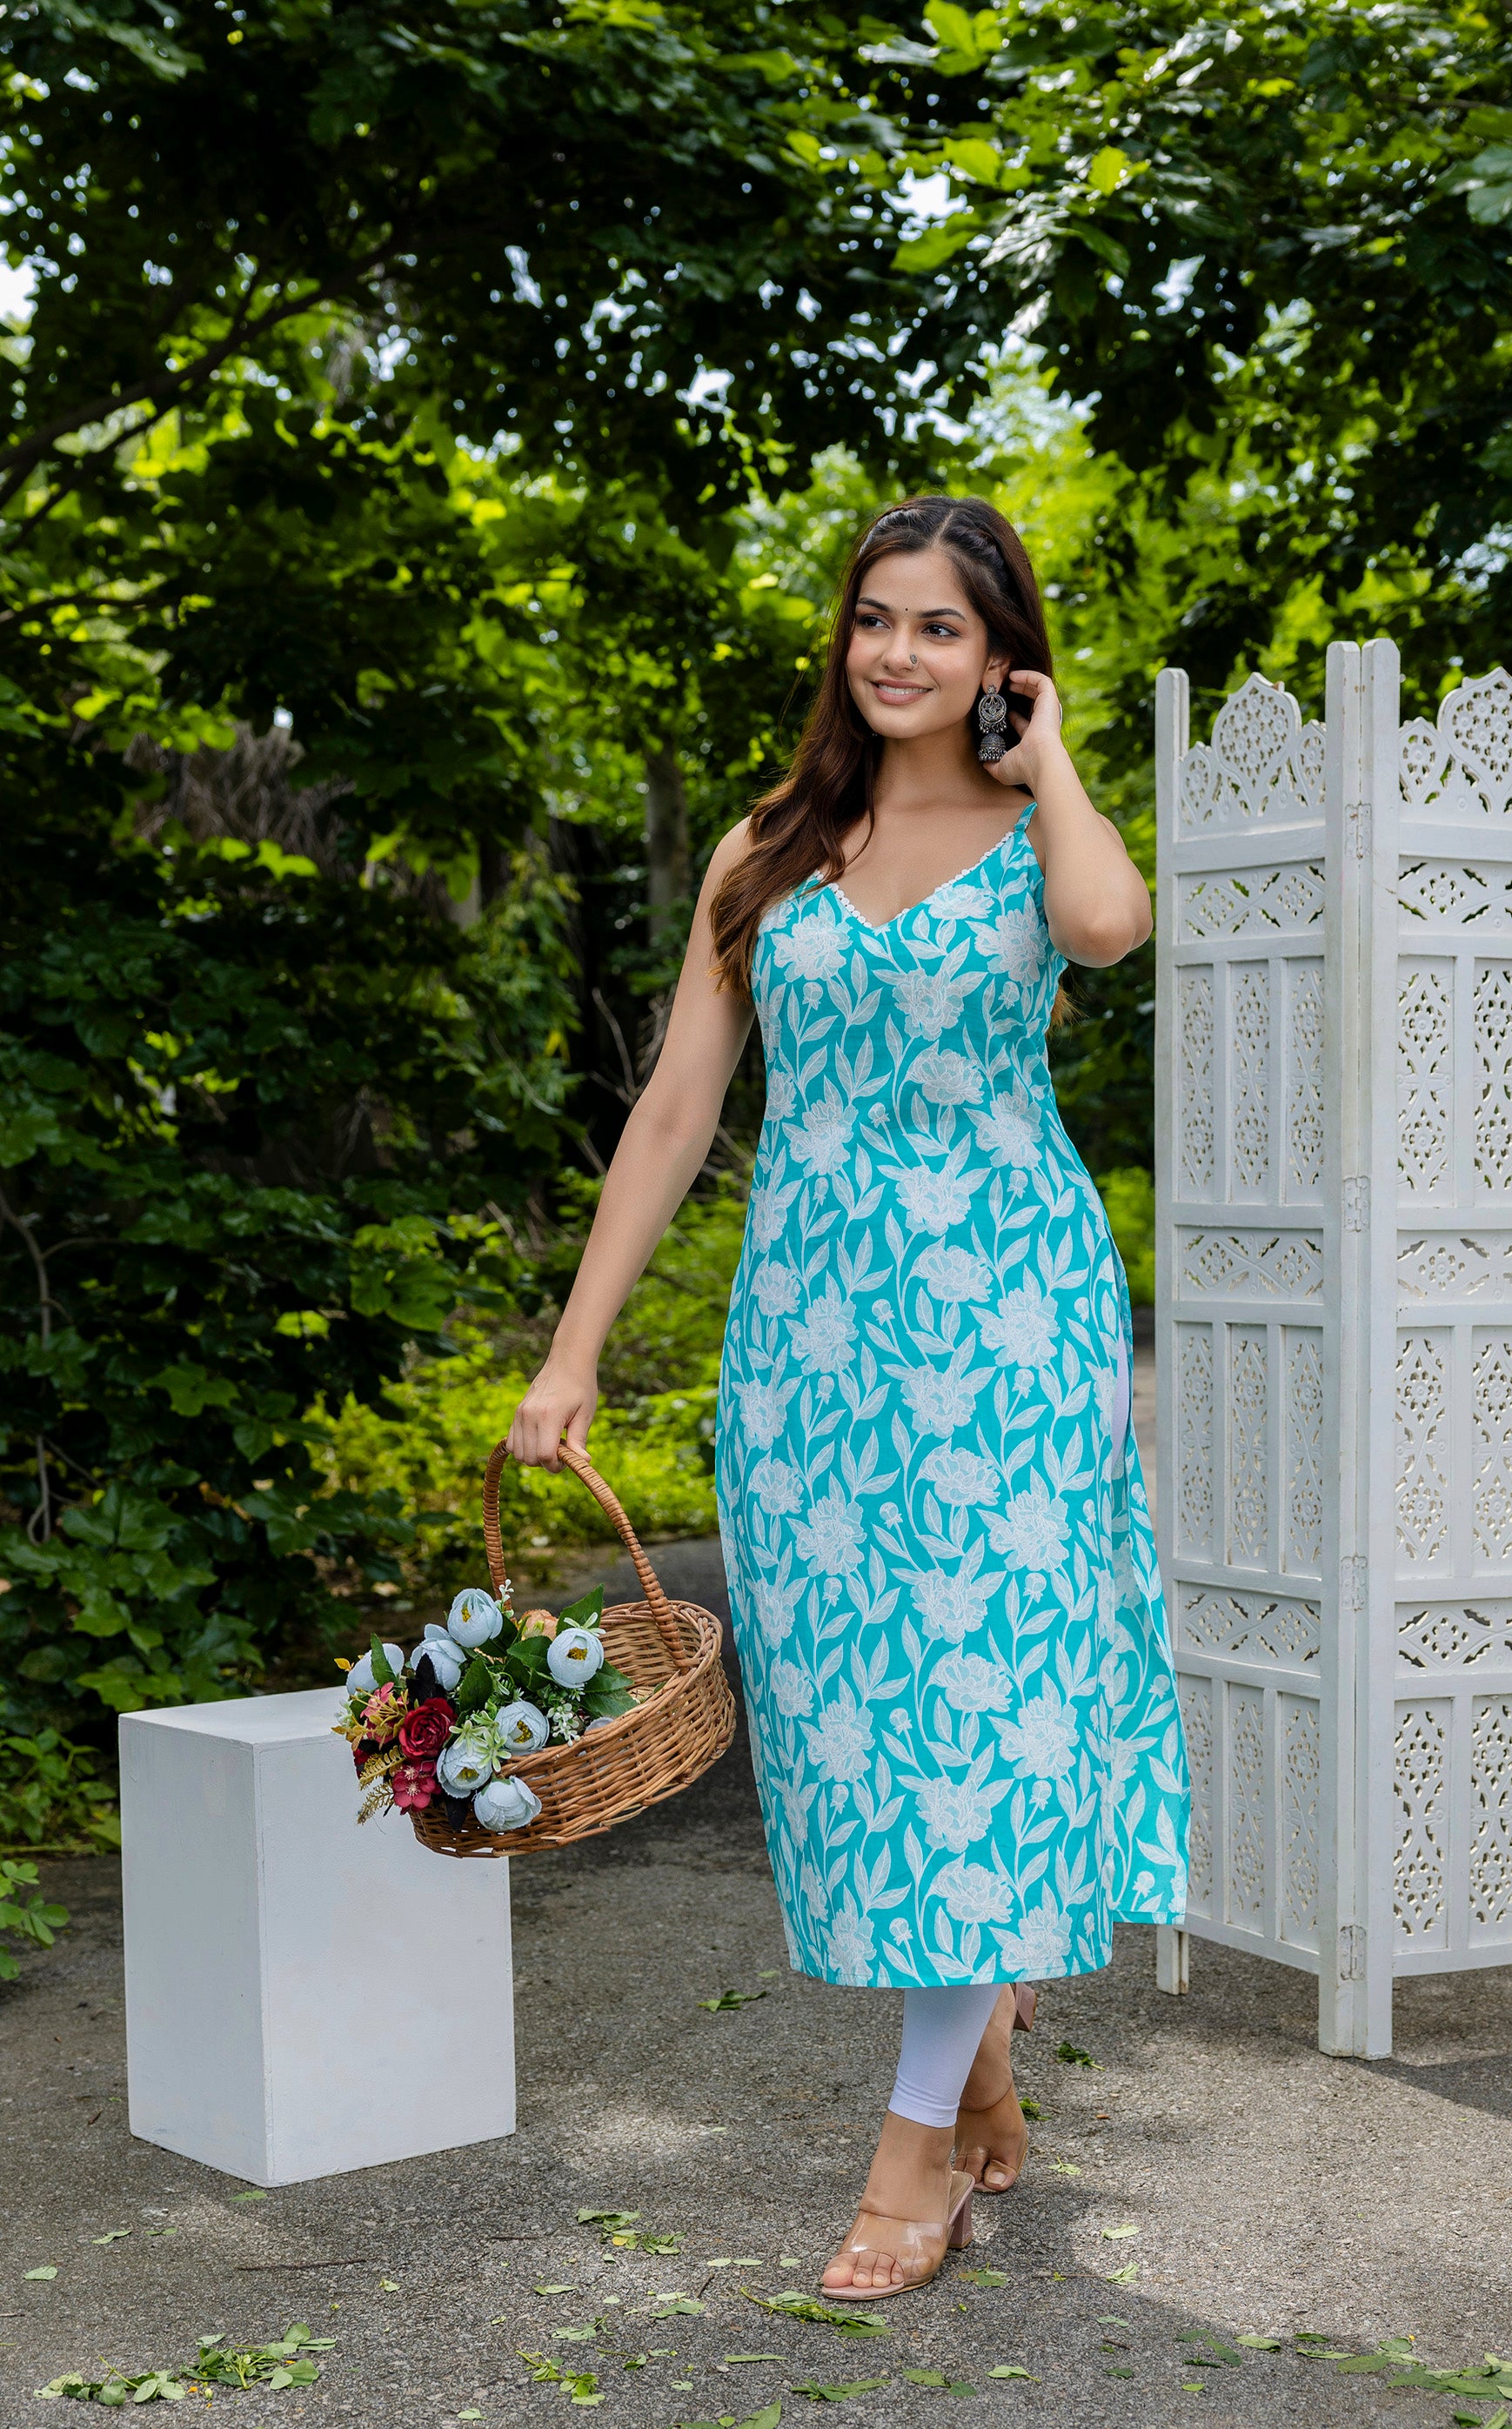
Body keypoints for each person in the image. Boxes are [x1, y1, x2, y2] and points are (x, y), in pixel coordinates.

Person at [508, 494, 1189, 2299]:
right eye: (875, 619)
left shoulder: (1038, 834)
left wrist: (1048, 758)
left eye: (940, 627)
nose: (897, 652)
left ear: (1000, 655)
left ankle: (908, 2161)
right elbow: (676, 1106)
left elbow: (1108, 928)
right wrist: (573, 1350)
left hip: (1012, 1334)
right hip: (810, 1341)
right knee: (854, 1732)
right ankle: (977, 2057)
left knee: (979, 1719)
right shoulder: (768, 849)